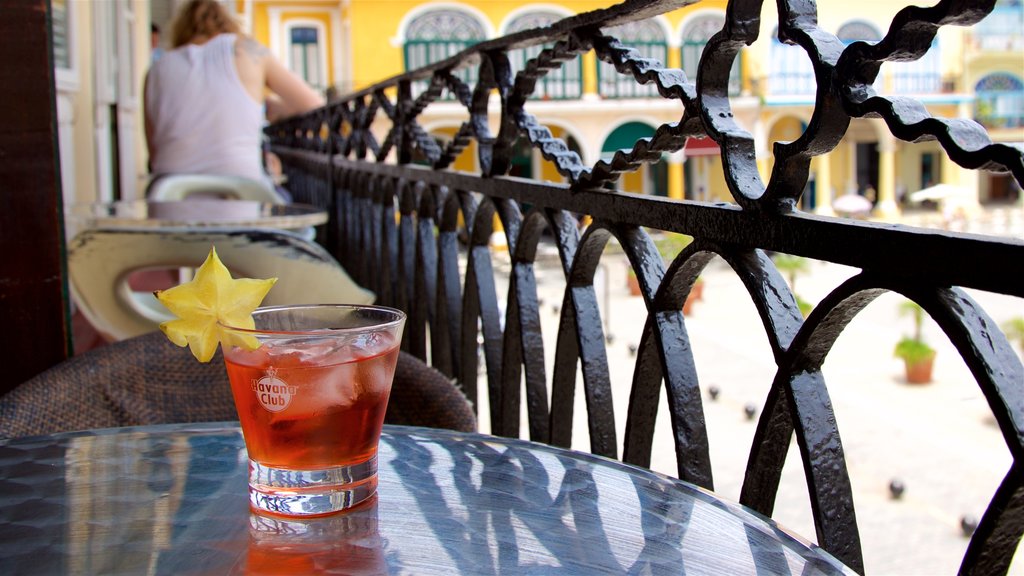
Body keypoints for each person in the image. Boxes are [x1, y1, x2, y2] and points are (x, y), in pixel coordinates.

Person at [143, 0, 324, 197]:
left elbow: (154, 153)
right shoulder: (249, 50)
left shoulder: (156, 69)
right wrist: (269, 107)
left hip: (171, 198)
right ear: (227, 23)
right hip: (242, 195)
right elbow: (314, 104)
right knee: (288, 202)